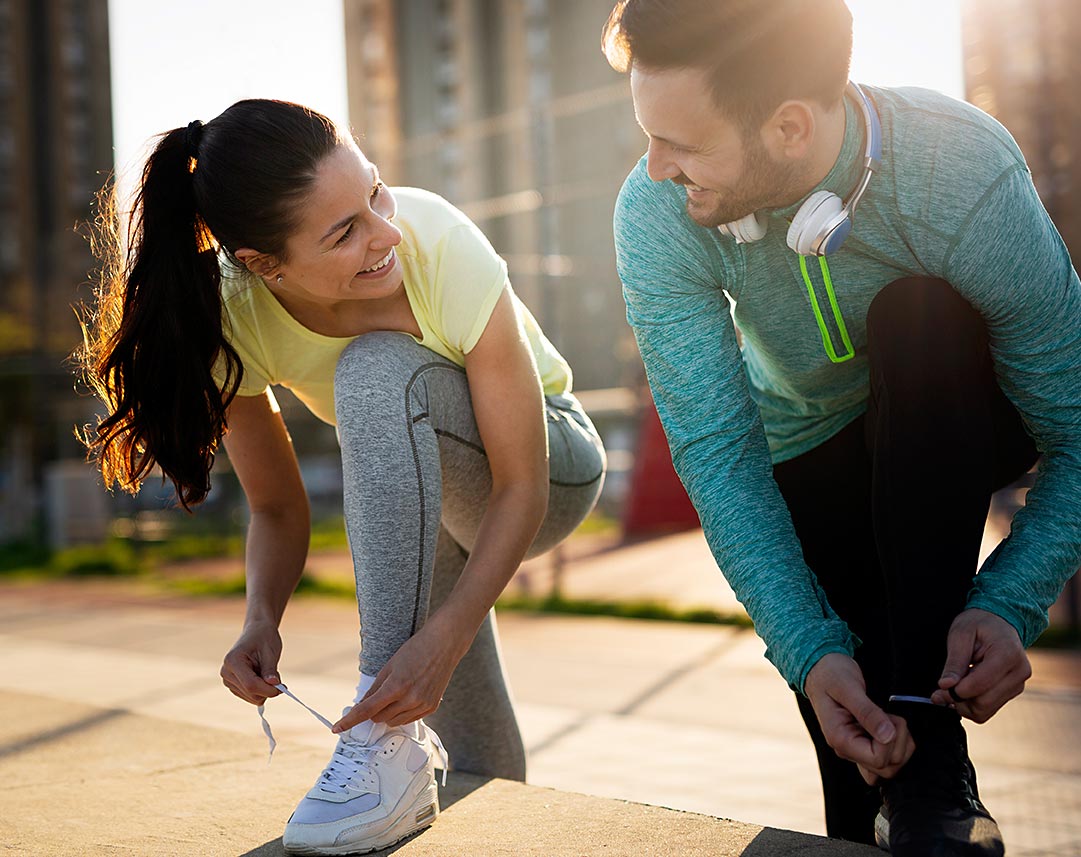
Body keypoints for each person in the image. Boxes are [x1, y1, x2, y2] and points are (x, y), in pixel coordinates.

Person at [603, 1, 1081, 855]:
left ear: (788, 127)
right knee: (856, 759)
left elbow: (1078, 427)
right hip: (808, 456)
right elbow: (718, 454)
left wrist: (1010, 600)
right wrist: (805, 650)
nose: (654, 167)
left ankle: (934, 778)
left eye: (679, 142)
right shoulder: (654, 212)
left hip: (959, 415)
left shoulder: (956, 167)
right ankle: (919, 787)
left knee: (917, 314)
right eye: (648, 134)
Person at [78, 98, 605, 855]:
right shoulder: (237, 316)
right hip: (425, 494)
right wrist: (262, 616)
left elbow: (522, 483)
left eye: (374, 192)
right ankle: (417, 768)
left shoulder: (438, 244)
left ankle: (372, 720)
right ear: (264, 265)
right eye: (344, 231)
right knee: (479, 755)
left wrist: (446, 638)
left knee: (375, 371)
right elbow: (276, 507)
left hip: (549, 468)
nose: (384, 231)